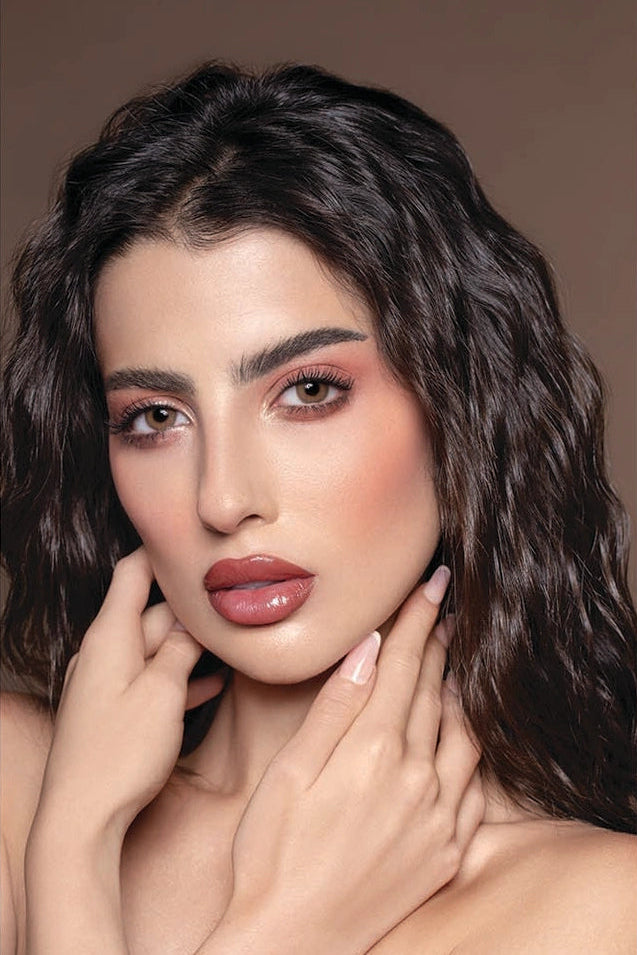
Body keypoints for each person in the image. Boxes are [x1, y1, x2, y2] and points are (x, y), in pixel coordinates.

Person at [1, 62, 635, 954]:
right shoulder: (19, 793)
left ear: (456, 403)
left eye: (306, 391)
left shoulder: (599, 908)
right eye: (155, 417)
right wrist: (75, 849)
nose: (224, 498)